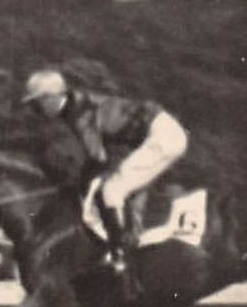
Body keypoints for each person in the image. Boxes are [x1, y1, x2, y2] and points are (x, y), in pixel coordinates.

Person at [20, 68, 188, 272]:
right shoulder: (76, 105)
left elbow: (97, 158)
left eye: (36, 103)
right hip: (157, 133)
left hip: (162, 136)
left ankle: (120, 254)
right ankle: (130, 241)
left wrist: (78, 181)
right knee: (117, 185)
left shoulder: (79, 114)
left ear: (51, 98)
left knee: (111, 191)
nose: (35, 110)